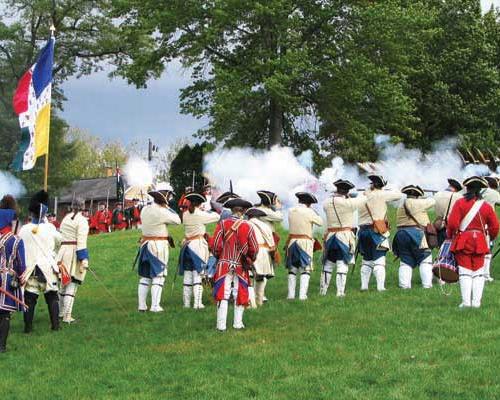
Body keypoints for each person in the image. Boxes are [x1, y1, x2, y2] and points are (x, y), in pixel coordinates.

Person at [447, 176, 499, 308]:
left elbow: (452, 223)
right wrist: (490, 238)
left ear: (467, 188)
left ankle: (466, 302)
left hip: (463, 239)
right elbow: (495, 226)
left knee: (465, 272)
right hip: (480, 240)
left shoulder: (460, 203)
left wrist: (451, 235)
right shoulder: (486, 206)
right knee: (478, 273)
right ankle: (476, 303)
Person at [211, 198, 258, 331]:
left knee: (223, 293)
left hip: (224, 263)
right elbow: (254, 248)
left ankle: (221, 326)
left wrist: (219, 256)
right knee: (240, 292)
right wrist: (249, 259)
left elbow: (215, 245)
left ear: (232, 210)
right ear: (243, 211)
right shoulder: (248, 226)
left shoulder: (222, 224)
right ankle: (237, 324)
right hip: (241, 264)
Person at [19, 191, 62, 332]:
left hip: (30, 268)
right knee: (52, 297)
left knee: (29, 298)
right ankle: (56, 326)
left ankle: (28, 328)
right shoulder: (50, 228)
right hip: (47, 267)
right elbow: (60, 242)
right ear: (44, 213)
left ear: (31, 213)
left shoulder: (23, 229)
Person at [137, 184, 181, 312]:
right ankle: (155, 306)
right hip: (158, 245)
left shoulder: (144, 209)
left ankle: (142, 305)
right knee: (159, 275)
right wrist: (167, 207)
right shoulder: (162, 211)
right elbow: (178, 220)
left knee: (145, 277)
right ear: (166, 196)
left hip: (145, 244)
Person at [321, 180, 367, 297]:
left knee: (328, 264)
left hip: (330, 236)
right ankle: (340, 292)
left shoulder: (326, 203)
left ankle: (323, 291)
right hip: (344, 237)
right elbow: (363, 200)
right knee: (342, 264)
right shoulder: (348, 203)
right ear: (347, 191)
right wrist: (365, 192)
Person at [358, 175, 403, 291]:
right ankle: (380, 287)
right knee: (379, 260)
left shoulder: (363, 195)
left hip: (363, 231)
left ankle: (364, 286)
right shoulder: (381, 194)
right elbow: (398, 195)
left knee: (367, 259)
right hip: (376, 230)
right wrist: (394, 188)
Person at [179, 193, 219, 309]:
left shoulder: (185, 214)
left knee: (187, 275)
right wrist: (208, 211)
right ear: (199, 203)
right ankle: (197, 303)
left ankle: (186, 304)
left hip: (186, 245)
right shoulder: (201, 214)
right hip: (197, 245)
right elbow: (216, 216)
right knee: (198, 274)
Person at [393, 185, 435, 289]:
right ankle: (427, 285)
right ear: (417, 195)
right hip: (416, 233)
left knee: (405, 261)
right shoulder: (417, 203)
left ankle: (404, 286)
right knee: (425, 258)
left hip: (401, 234)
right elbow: (432, 201)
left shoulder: (401, 205)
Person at [57, 197, 90, 324]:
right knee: (72, 284)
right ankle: (67, 316)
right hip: (73, 253)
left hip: (63, 252)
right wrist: (84, 259)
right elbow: (81, 242)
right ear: (82, 206)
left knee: (63, 284)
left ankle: (60, 313)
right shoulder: (82, 221)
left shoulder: (65, 218)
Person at [285, 192, 323, 300]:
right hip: (305, 242)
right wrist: (313, 211)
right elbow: (320, 222)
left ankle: (290, 295)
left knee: (292, 269)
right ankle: (302, 296)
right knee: (305, 269)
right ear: (309, 203)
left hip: (292, 241)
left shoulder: (291, 210)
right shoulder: (309, 211)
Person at [0, 196, 26, 352]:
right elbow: (21, 265)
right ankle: (1, 347)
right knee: (4, 314)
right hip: (7, 279)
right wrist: (20, 276)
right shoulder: (16, 240)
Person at [254, 190, 283, 302]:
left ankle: (257, 294)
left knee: (257, 270)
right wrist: (278, 207)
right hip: (265, 242)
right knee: (265, 270)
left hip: (258, 241)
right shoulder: (266, 211)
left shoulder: (257, 209)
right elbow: (280, 218)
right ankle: (261, 295)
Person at [246, 207, 275, 305]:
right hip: (264, 252)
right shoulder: (266, 226)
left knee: (249, 278)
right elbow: (272, 244)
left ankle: (251, 304)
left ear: (249, 216)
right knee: (260, 278)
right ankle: (259, 302)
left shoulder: (245, 224)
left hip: (250, 252)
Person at [481, 176, 500, 282]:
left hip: (472, 223)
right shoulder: (494, 193)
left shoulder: (476, 190)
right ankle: (485, 274)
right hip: (487, 224)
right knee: (488, 250)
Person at [433, 178, 462, 246]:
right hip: (452, 225)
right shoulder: (458, 196)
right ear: (456, 189)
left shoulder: (437, 194)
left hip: (439, 225)